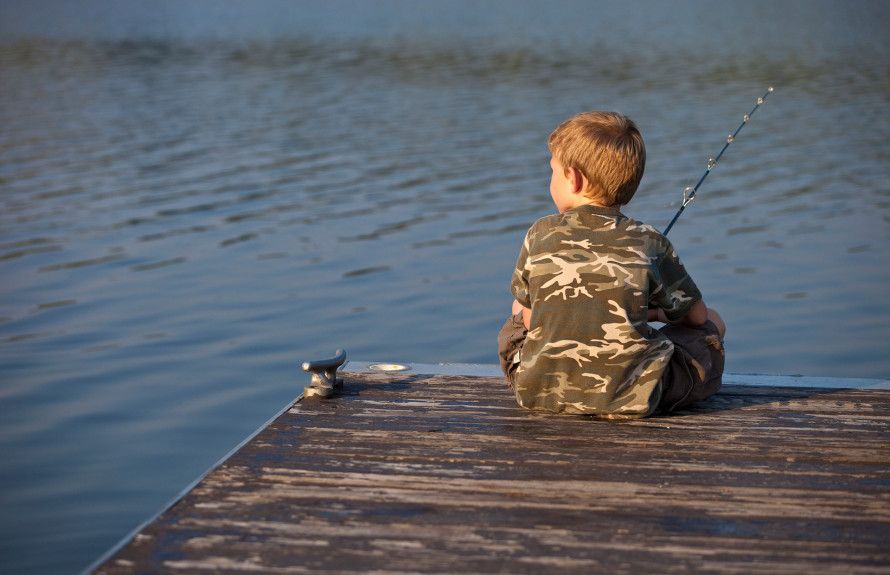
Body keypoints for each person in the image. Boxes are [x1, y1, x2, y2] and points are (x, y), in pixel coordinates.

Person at [497, 111, 725, 418]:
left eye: (552, 171)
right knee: (713, 323)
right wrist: (652, 312)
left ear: (574, 179)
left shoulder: (540, 233)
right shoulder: (650, 241)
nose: (549, 180)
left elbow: (527, 319)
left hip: (539, 393)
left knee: (516, 310)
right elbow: (696, 317)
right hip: (634, 398)